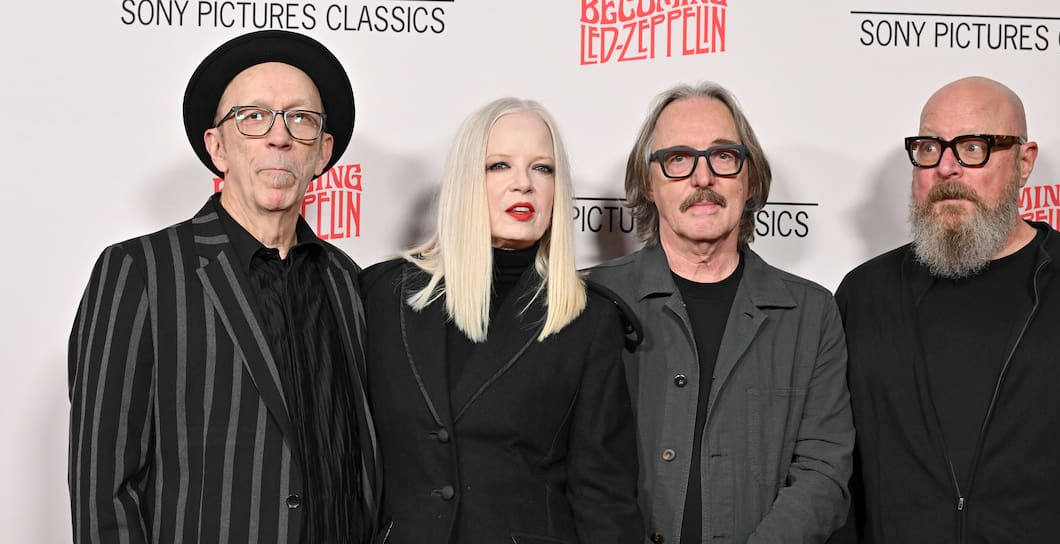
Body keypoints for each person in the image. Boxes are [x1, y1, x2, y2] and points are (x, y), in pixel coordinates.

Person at [68, 30, 380, 544]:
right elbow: (103, 491)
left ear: (322, 152)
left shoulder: (347, 280)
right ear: (218, 147)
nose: (279, 137)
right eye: (253, 117)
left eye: (301, 119)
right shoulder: (140, 270)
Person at [833, 76, 1060, 542]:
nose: (947, 168)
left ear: (1024, 161)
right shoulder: (865, 294)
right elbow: (837, 480)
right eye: (930, 148)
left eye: (972, 148)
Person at [361, 98, 643, 543]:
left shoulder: (589, 319)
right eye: (499, 166)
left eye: (542, 169)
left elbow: (603, 495)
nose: (523, 184)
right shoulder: (381, 294)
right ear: (466, 179)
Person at [587, 82, 854, 544]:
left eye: (723, 156)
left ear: (749, 177)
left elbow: (823, 472)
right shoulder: (591, 299)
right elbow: (567, 465)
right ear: (649, 183)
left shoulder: (811, 315)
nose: (703, 177)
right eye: (678, 159)